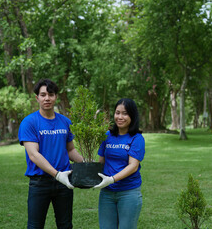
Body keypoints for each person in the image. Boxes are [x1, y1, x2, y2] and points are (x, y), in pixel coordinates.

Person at [18, 79, 84, 228]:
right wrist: (56, 174)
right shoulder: (29, 122)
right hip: (39, 183)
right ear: (37, 98)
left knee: (65, 225)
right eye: (43, 95)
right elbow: (34, 155)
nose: (47, 98)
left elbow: (70, 150)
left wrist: (85, 163)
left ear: (56, 97)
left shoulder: (65, 122)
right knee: (35, 225)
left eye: (51, 94)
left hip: (64, 181)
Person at [94, 98, 145, 229]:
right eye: (117, 113)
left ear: (132, 116)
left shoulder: (137, 138)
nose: (120, 117)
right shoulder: (107, 136)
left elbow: (133, 166)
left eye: (125, 113)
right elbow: (101, 162)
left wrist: (112, 179)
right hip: (107, 194)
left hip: (128, 193)